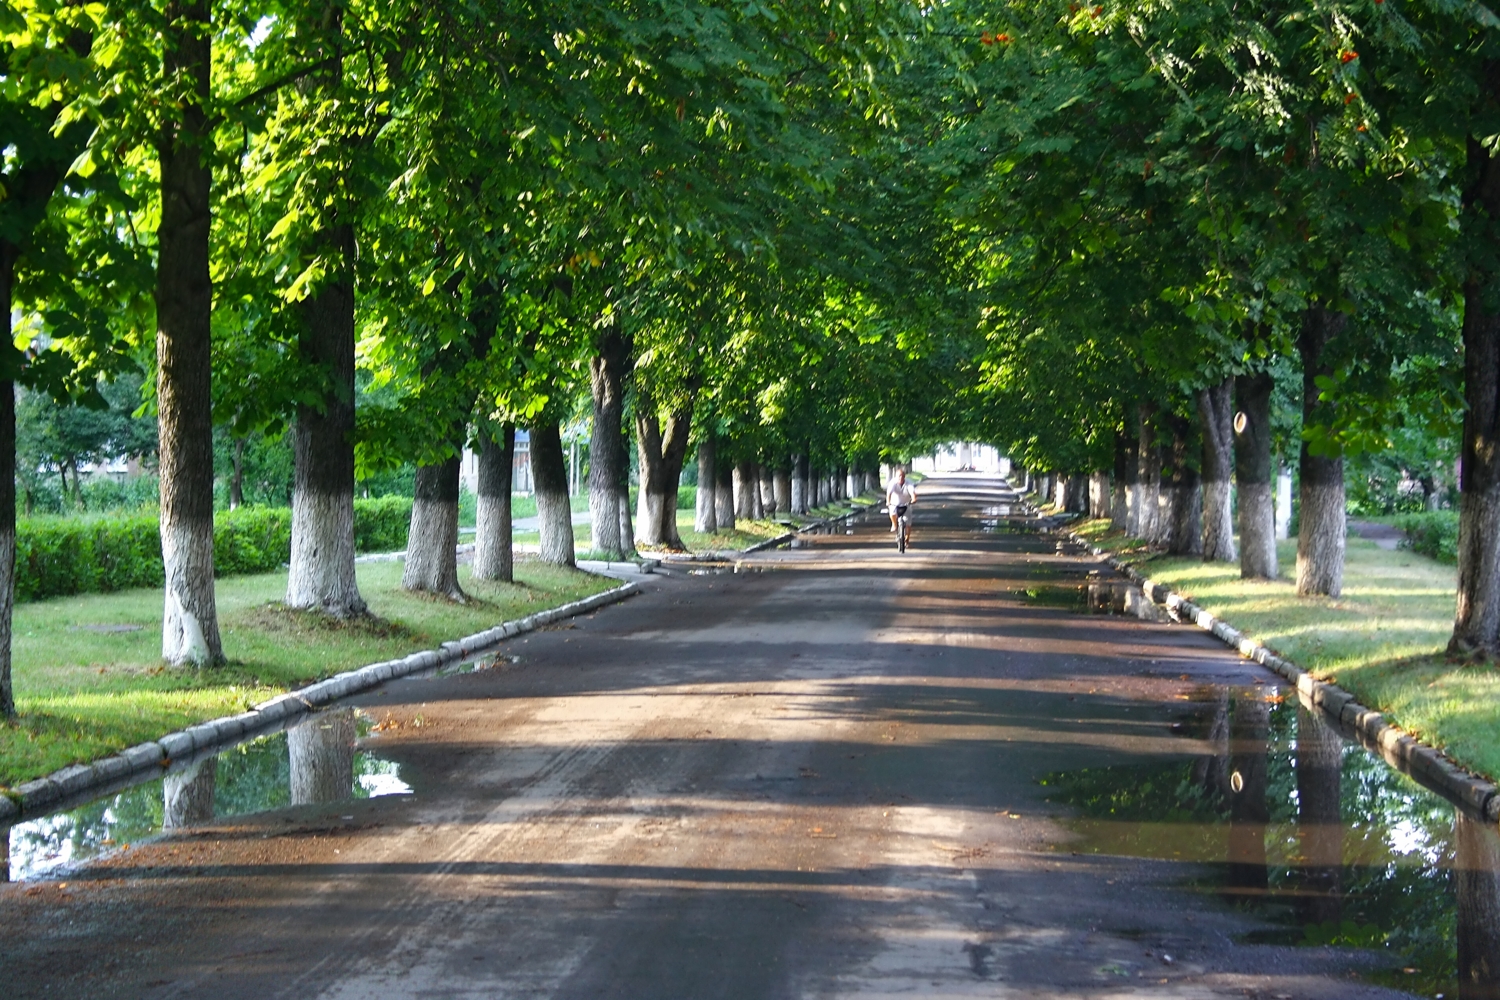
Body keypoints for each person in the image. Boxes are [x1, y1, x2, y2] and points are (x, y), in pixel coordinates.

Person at [886, 468, 916, 538]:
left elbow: (912, 492)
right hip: (894, 503)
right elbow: (889, 493)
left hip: (906, 504)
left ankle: (907, 538)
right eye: (899, 476)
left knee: (908, 523)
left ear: (905, 476)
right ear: (896, 476)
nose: (901, 477)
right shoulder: (892, 483)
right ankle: (894, 524)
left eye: (902, 476)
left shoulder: (909, 483)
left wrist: (914, 499)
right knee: (892, 512)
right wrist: (888, 501)